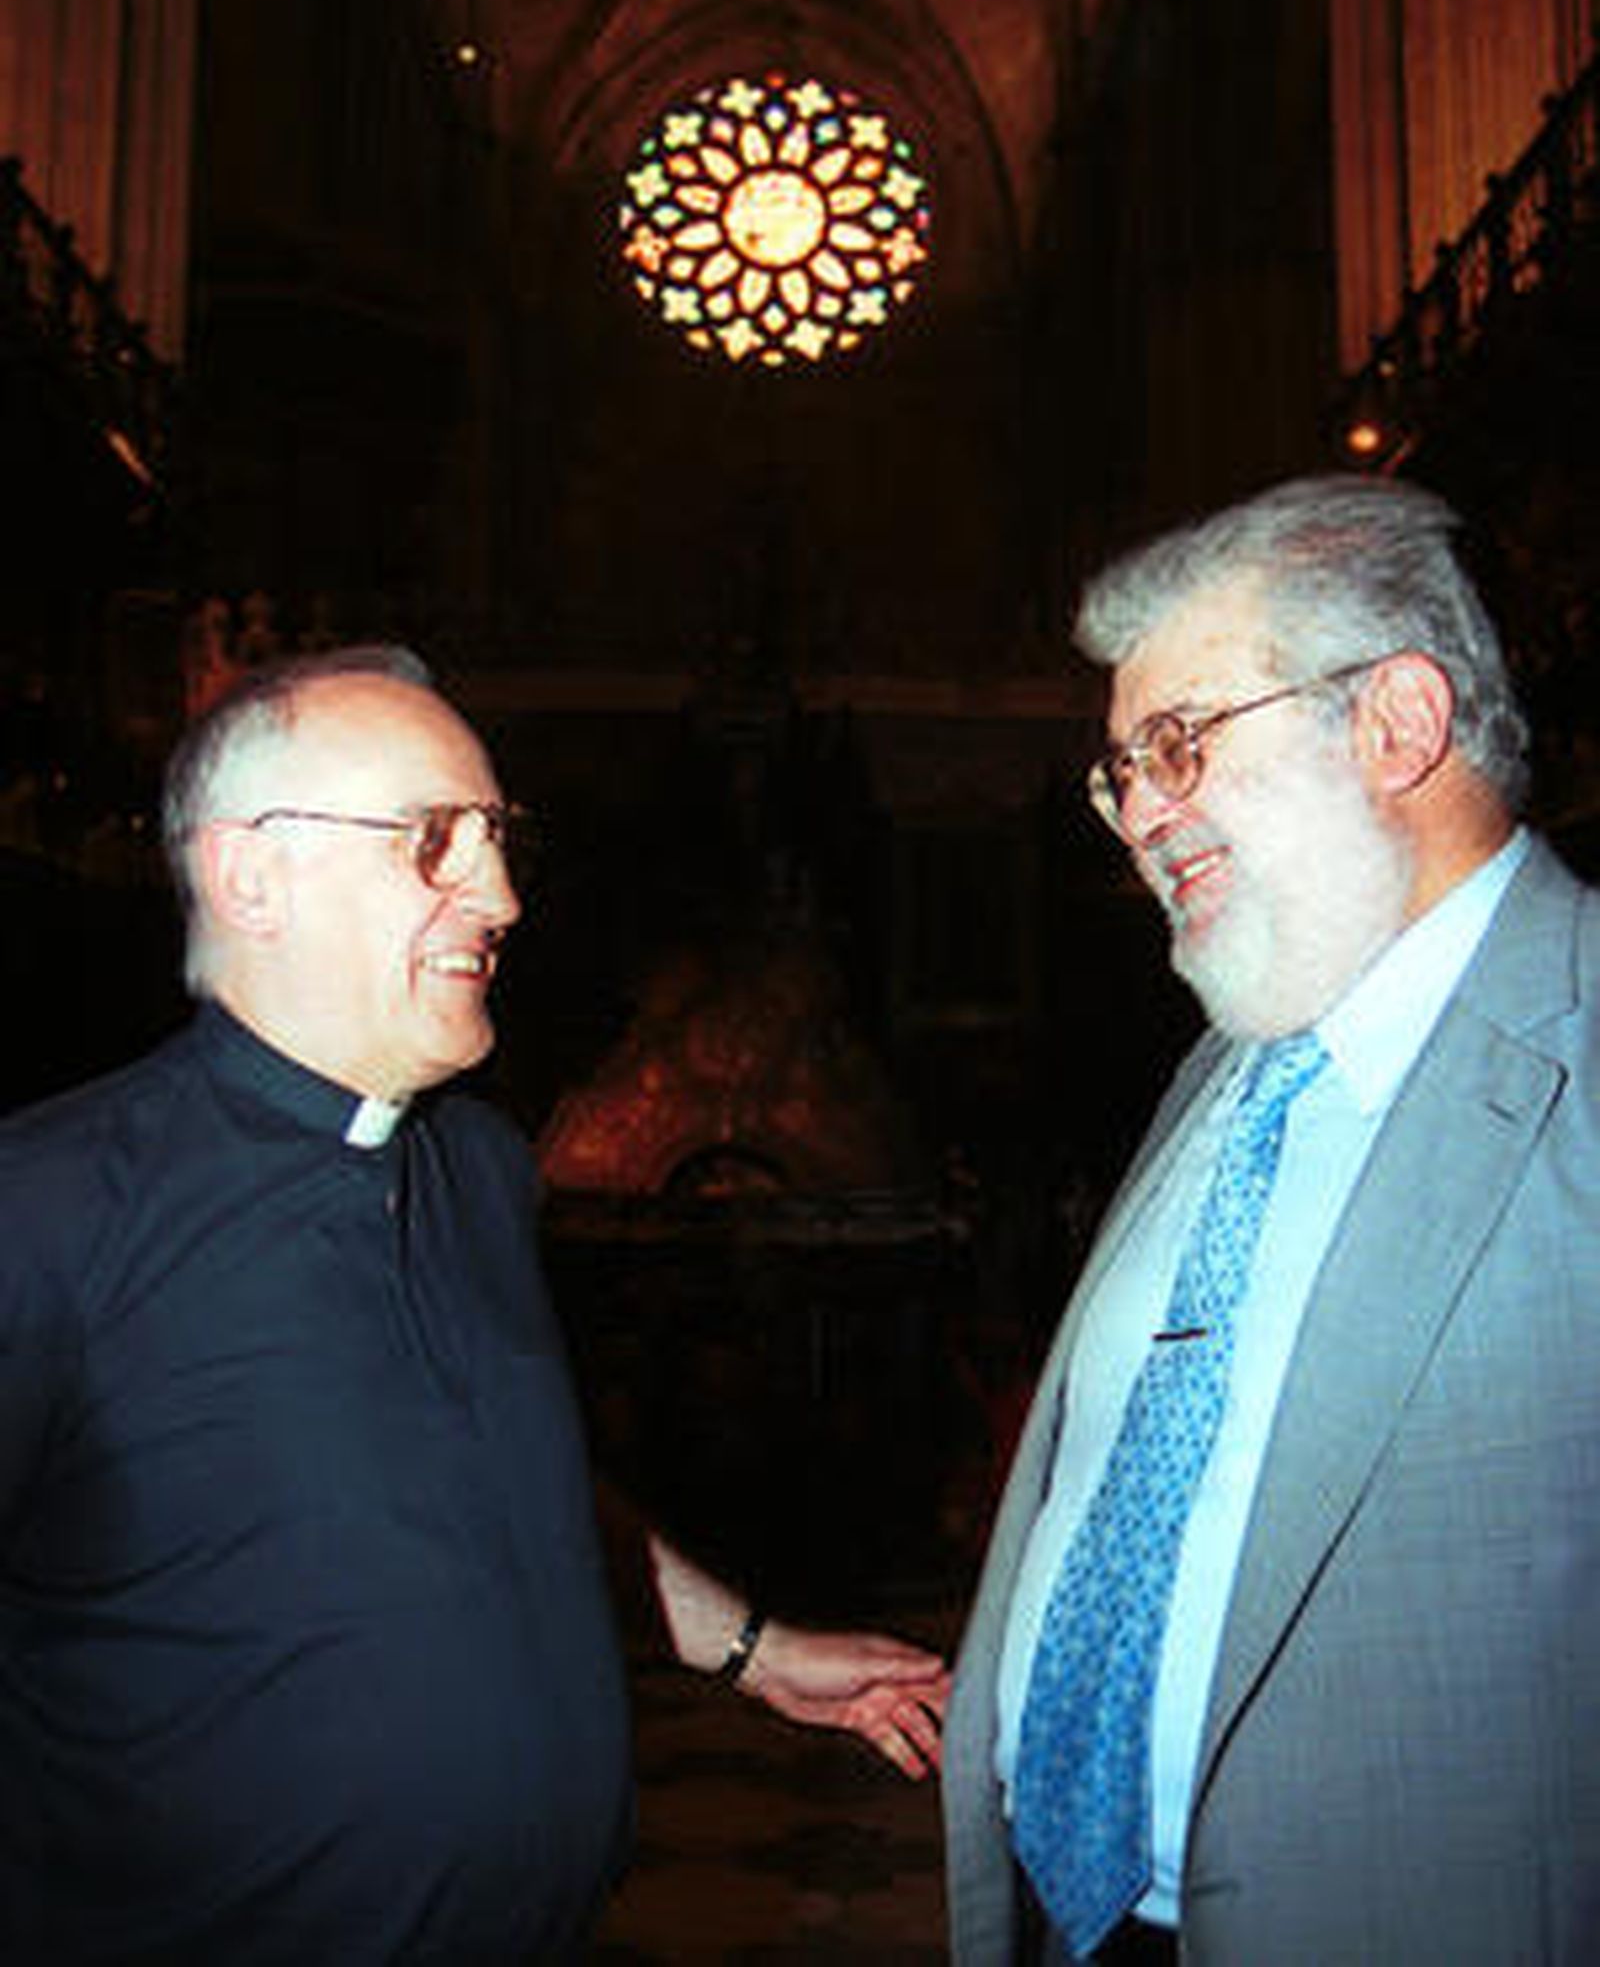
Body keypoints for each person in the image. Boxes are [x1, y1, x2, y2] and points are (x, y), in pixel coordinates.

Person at [0, 646, 946, 1963]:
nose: (499, 895)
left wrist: (755, 1648)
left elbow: (528, 1484)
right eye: (433, 839)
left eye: (499, 839)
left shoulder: (483, 1167)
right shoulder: (42, 1210)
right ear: (249, 875)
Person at [943, 473, 1600, 1964]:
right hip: (1069, 1919)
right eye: (1120, 773)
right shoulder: (1231, 1054)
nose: (1139, 817)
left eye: (1180, 744)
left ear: (1398, 723)